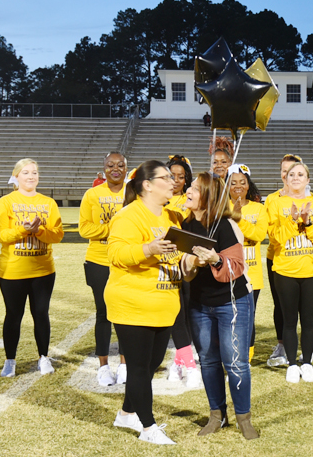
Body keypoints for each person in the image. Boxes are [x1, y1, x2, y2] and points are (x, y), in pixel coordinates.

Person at [105, 160, 181, 445]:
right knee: (138, 368)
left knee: (150, 366)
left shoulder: (170, 218)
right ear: (147, 185)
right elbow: (116, 254)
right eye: (166, 177)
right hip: (133, 303)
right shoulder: (128, 215)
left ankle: (126, 413)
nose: (173, 181)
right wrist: (148, 248)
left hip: (163, 304)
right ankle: (148, 428)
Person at [181, 172, 258, 440]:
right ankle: (217, 415)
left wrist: (214, 260)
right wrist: (192, 263)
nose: (188, 190)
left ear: (208, 196)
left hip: (232, 303)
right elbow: (184, 270)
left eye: (194, 187)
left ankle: (243, 418)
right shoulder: (186, 224)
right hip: (200, 304)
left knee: (235, 362)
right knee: (208, 361)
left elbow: (237, 267)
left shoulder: (225, 226)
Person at [0, 159, 64, 377]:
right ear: (16, 176)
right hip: (12, 270)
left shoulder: (48, 203)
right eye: (25, 172)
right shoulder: (6, 202)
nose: (31, 176)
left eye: (34, 172)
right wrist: (23, 230)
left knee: (41, 314)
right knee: (13, 315)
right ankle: (10, 360)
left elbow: (58, 234)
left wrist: (39, 230)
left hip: (43, 270)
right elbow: (2, 235)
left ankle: (44, 356)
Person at [266, 160, 313, 383]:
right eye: (292, 174)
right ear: (285, 179)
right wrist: (291, 220)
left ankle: (307, 362)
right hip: (284, 269)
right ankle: (291, 363)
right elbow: (275, 239)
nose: (296, 177)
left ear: (308, 180)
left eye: (301, 174)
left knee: (308, 319)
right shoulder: (275, 203)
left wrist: (307, 222)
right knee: (289, 320)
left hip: (310, 270)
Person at [79, 152, 128, 386]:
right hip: (99, 260)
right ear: (104, 169)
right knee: (103, 314)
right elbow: (85, 229)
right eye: (110, 165)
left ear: (127, 168)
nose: (115, 169)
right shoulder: (92, 194)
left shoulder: (135, 193)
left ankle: (125, 364)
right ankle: (103, 366)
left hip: (126, 261)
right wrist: (112, 227)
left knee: (126, 315)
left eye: (120, 165)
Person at [163, 154, 199, 386]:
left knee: (187, 313)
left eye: (181, 176)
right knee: (175, 314)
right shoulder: (160, 200)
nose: (176, 180)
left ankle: (183, 358)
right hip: (165, 266)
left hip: (185, 264)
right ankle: (184, 359)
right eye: (171, 176)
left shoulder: (188, 200)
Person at [265, 154, 304, 367]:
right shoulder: (272, 199)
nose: (287, 174)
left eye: (293, 171)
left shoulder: (310, 199)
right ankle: (282, 345)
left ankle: (303, 346)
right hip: (278, 257)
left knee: (302, 306)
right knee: (280, 304)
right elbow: (271, 232)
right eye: (284, 171)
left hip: (301, 258)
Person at [228, 164, 268, 363]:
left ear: (248, 185)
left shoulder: (258, 209)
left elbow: (259, 234)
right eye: (233, 182)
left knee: (247, 319)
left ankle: (246, 357)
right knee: (226, 317)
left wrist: (238, 220)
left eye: (242, 182)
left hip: (251, 275)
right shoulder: (220, 207)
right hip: (226, 272)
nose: (238, 186)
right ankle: (227, 354)